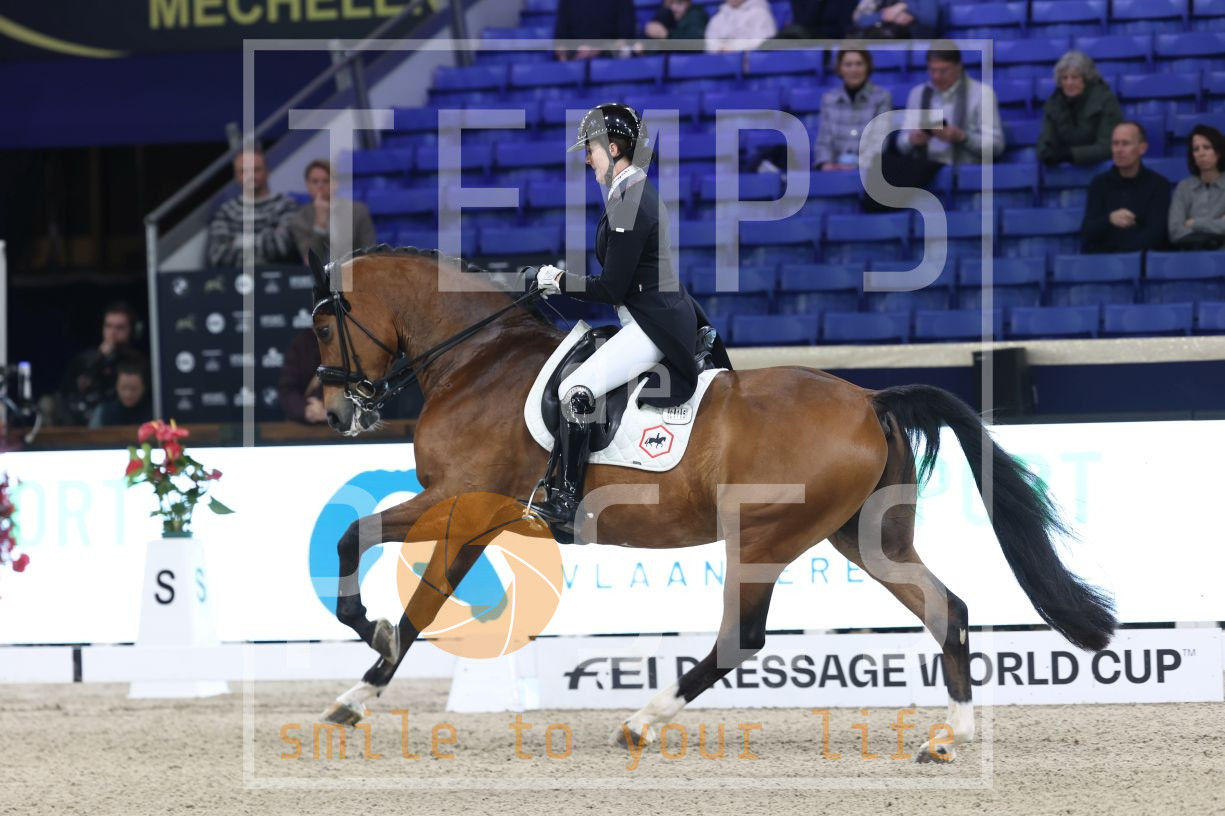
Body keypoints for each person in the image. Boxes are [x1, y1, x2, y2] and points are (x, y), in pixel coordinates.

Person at [524, 103, 732, 529]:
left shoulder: (630, 201)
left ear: (614, 148)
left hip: (653, 325)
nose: (587, 159)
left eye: (591, 150)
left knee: (576, 389)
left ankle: (567, 502)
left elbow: (611, 288)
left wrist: (557, 280)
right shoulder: (627, 194)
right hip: (647, 316)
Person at [895, 45, 1004, 166]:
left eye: (943, 71)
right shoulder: (917, 94)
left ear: (959, 67)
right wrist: (912, 140)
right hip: (923, 170)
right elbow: (901, 144)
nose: (936, 76)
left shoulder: (982, 94)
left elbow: (996, 147)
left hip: (967, 171)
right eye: (932, 70)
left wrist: (963, 137)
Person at [1081, 121, 1171, 254]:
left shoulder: (1159, 185)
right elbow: (1087, 231)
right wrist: (1109, 219)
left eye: (1125, 143)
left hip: (1141, 260)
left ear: (1142, 148)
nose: (1119, 150)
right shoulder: (1099, 183)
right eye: (1115, 143)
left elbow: (1156, 234)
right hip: (1103, 261)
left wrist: (1123, 258)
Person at [53, 301, 144, 426]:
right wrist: (100, 358)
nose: (113, 333)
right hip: (85, 421)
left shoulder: (137, 360)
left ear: (132, 330)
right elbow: (68, 392)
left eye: (120, 328)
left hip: (125, 420)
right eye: (109, 326)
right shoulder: (85, 359)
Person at [206, 147, 299, 268]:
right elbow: (217, 255)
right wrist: (268, 239)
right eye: (244, 171)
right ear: (236, 176)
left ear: (267, 171)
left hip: (282, 277)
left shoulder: (287, 205)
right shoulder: (226, 211)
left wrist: (238, 241)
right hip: (237, 279)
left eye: (256, 169)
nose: (250, 176)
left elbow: (281, 246)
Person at [1036, 50, 1123, 167]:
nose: (1069, 83)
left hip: (1101, 168)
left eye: (1075, 77)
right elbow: (1044, 144)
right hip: (1064, 172)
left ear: (1086, 79)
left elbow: (1108, 146)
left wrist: (1069, 154)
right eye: (1064, 78)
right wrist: (1046, 153)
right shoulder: (1053, 104)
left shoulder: (1106, 100)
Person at [814, 49, 893, 171]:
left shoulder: (882, 97)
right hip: (835, 168)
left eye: (859, 64)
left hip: (870, 170)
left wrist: (857, 166)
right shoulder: (829, 99)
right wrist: (826, 164)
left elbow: (879, 141)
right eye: (848, 65)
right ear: (840, 69)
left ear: (867, 67)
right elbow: (824, 140)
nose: (854, 70)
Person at [288, 159, 377, 263]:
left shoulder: (358, 211)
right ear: (308, 185)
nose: (320, 186)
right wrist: (319, 226)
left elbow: (370, 252)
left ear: (336, 183)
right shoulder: (299, 220)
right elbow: (310, 261)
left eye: (326, 181)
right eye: (315, 181)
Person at [1168, 125, 1225, 250]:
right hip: (1190, 255)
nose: (1201, 153)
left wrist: (1194, 223)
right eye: (1196, 149)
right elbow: (1174, 231)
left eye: (1207, 147)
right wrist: (1216, 230)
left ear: (1219, 152)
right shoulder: (1184, 187)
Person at [554, 0, 636, 61]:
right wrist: (568, 62)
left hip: (610, 61)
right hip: (575, 61)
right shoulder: (566, 2)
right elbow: (560, 44)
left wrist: (598, 50)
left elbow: (625, 40)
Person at [278, 329, 326, 424]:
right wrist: (306, 409)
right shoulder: (302, 342)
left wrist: (330, 411)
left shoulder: (349, 343)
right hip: (303, 425)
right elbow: (287, 390)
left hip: (344, 427)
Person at [89, 355, 152, 427]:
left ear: (144, 388)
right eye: (123, 388)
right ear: (116, 386)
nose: (128, 394)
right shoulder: (103, 413)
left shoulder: (156, 411)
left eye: (134, 389)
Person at [705, 0, 778, 53]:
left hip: (753, 65)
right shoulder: (717, 19)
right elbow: (710, 47)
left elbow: (763, 44)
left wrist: (733, 49)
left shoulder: (760, 13)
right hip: (721, 64)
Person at [849, 0, 941, 38]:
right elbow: (859, 19)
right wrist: (884, 16)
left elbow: (929, 20)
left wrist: (904, 6)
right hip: (876, 39)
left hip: (912, 39)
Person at [643, 0, 709, 42]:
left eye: (679, 3)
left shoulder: (695, 14)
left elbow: (696, 42)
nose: (674, 8)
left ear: (688, 3)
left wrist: (668, 35)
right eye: (670, 3)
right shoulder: (665, 14)